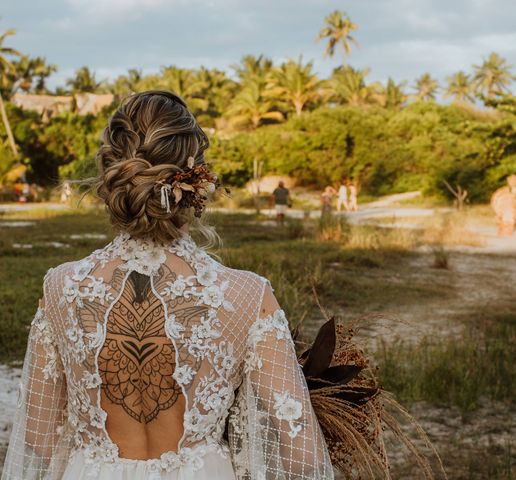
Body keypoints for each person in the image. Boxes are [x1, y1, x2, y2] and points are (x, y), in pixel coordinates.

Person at [1, 91, 333, 480]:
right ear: (197, 181)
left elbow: (39, 440)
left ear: (110, 173)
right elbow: (300, 455)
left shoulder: (61, 287)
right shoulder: (247, 295)